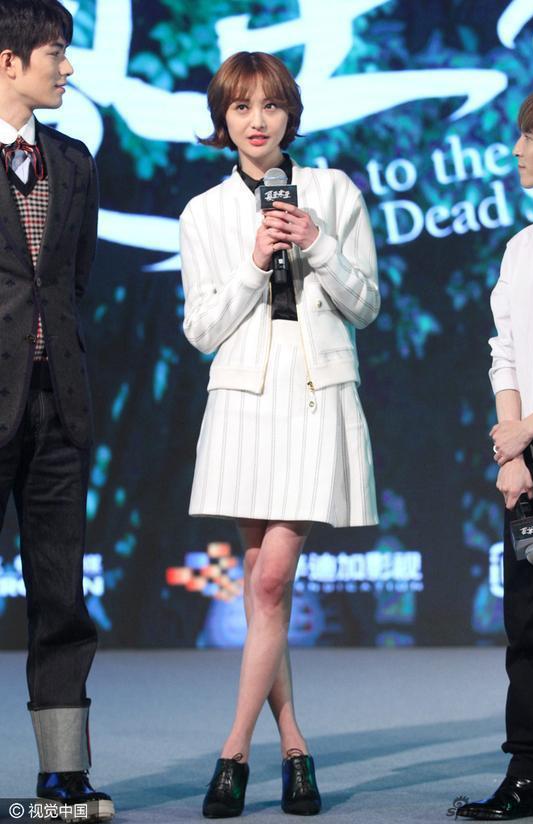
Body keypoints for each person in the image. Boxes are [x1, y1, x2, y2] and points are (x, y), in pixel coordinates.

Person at [180, 50, 379, 818]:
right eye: (241, 108)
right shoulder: (203, 214)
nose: (257, 121)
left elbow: (366, 305)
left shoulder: (334, 191)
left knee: (268, 583)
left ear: (291, 112)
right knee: (265, 588)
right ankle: (295, 750)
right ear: (222, 120)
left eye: (270, 105)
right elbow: (202, 329)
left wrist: (318, 243)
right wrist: (253, 263)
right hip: (243, 402)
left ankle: (232, 754)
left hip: (314, 395)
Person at [0, 1, 114, 820]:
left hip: (58, 408)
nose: (68, 68)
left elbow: (73, 281)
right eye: (55, 53)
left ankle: (64, 772)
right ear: (9, 62)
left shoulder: (72, 160)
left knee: (61, 595)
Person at [457, 87, 533, 820]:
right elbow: (506, 353)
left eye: (529, 135)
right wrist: (512, 447)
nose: (516, 149)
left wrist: (532, 427)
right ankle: (531, 774)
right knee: (530, 626)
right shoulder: (523, 248)